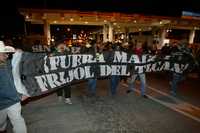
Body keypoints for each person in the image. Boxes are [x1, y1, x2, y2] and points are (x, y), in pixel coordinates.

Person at [0, 41, 28, 133]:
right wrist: (19, 96)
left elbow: (14, 63)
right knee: (2, 123)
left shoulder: (6, 63)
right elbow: (4, 88)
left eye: (6, 53)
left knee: (18, 120)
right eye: (3, 54)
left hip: (13, 101)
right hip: (3, 102)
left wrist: (18, 53)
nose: (7, 56)